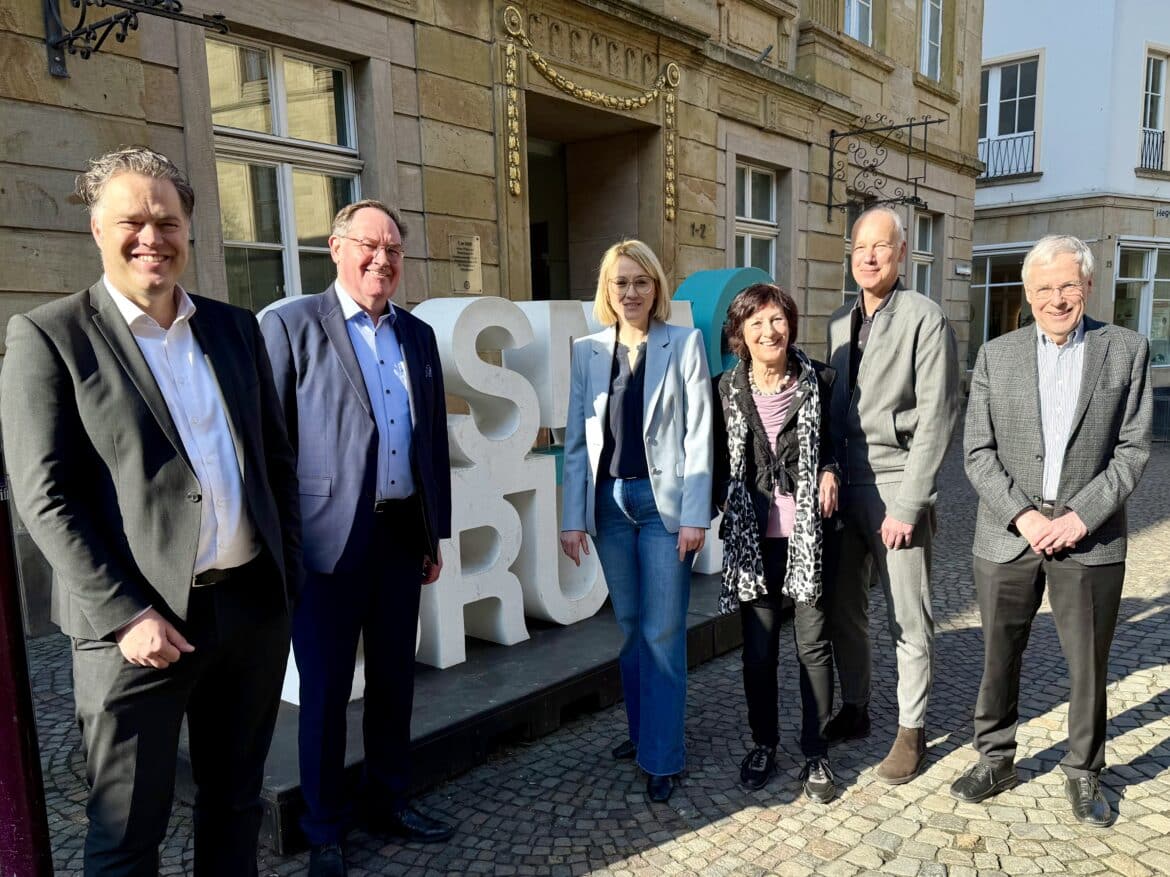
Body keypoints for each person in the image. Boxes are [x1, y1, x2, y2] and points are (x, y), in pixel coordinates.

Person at [0, 146, 301, 876]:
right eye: (132, 220)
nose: (151, 236)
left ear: (189, 230)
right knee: (127, 831)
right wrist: (125, 614)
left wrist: (284, 574)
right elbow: (44, 496)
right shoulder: (49, 336)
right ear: (97, 231)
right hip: (137, 629)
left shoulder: (234, 329)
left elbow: (274, 461)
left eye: (167, 220)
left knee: (234, 803)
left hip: (250, 612)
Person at [260, 200, 452, 876]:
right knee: (326, 692)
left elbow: (432, 441)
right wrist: (282, 551)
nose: (383, 259)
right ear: (336, 249)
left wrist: (436, 534)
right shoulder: (289, 325)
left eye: (395, 249)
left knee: (397, 682)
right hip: (325, 546)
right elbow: (268, 448)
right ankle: (325, 830)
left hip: (401, 535)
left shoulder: (419, 335)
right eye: (369, 245)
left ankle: (388, 799)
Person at [951, 235, 1152, 827]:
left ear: (1087, 286)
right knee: (997, 656)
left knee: (1087, 664)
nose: (1056, 298)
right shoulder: (997, 354)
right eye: (1043, 288)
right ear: (1027, 293)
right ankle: (995, 758)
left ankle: (1084, 772)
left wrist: (1076, 518)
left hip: (1089, 538)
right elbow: (978, 451)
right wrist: (1028, 516)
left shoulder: (1126, 350)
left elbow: (1133, 450)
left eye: (1067, 285)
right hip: (1008, 533)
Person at [560, 239, 713, 804]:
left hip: (664, 507)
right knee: (629, 628)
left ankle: (663, 755)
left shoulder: (685, 343)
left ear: (656, 288)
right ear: (607, 289)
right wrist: (572, 517)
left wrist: (695, 514)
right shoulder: (587, 351)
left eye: (641, 282)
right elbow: (577, 442)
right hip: (609, 505)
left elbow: (700, 435)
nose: (630, 292)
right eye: (620, 282)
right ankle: (642, 732)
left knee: (663, 630)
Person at [823, 206, 959, 784]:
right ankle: (855, 708)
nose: (870, 257)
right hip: (845, 484)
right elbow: (829, 412)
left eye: (882, 247)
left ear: (902, 254)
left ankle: (912, 730)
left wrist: (909, 504)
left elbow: (938, 416)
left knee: (909, 615)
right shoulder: (837, 323)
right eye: (861, 248)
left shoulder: (925, 318)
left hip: (897, 483)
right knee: (844, 609)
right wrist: (827, 467)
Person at [712, 283, 841, 801]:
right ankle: (764, 742)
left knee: (813, 647)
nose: (770, 331)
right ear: (741, 333)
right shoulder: (724, 388)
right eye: (757, 322)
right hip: (752, 540)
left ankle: (816, 752)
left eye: (778, 319)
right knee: (759, 653)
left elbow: (836, 443)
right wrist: (719, 502)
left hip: (809, 535)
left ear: (791, 323)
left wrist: (830, 468)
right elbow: (716, 457)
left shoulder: (821, 381)